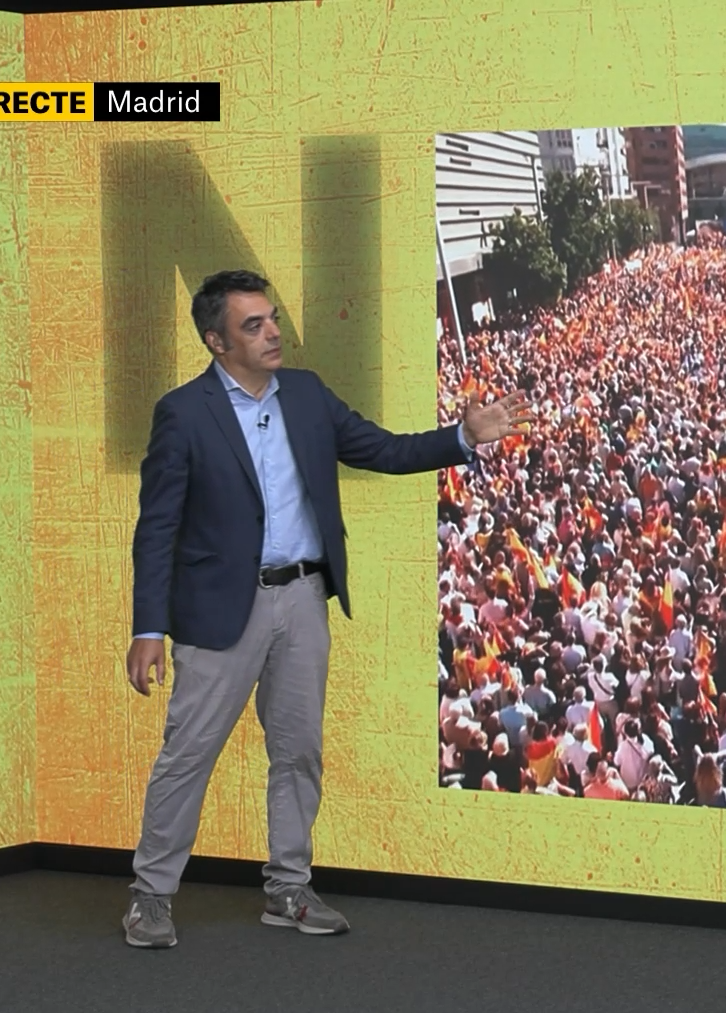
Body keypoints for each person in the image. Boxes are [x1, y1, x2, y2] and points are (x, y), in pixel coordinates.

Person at [120, 269, 534, 949]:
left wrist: (462, 438)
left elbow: (384, 450)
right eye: (253, 325)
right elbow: (156, 526)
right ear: (216, 341)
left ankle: (288, 887)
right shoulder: (184, 413)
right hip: (221, 610)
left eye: (273, 318)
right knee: (188, 755)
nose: (273, 331)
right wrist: (148, 627)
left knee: (298, 752)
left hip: (305, 600)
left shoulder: (307, 396)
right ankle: (151, 895)